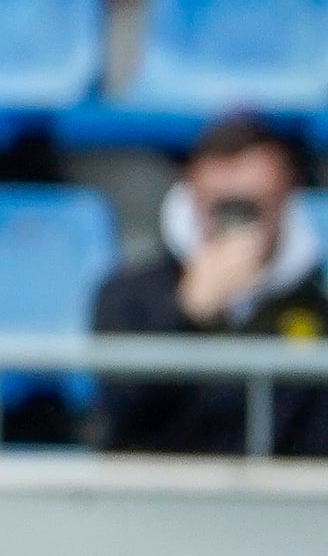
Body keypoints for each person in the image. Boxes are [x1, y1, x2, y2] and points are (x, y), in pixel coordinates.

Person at [96, 114, 328, 459]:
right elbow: (120, 411)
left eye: (249, 207)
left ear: (286, 193)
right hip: (157, 500)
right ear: (192, 193)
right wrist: (185, 314)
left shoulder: (318, 305)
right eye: (223, 206)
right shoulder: (129, 295)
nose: (236, 222)